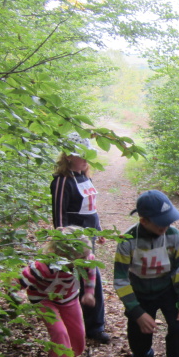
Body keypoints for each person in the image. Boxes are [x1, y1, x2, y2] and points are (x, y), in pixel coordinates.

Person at [113, 190, 179, 357]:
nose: (165, 226)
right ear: (144, 220)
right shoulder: (127, 240)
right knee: (138, 333)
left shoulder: (174, 236)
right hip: (140, 294)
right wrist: (136, 311)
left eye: (168, 221)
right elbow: (121, 279)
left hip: (168, 290)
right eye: (160, 223)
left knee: (178, 328)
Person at [19, 227, 96, 357]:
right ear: (64, 257)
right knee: (59, 332)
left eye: (86, 256)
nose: (86, 260)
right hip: (43, 299)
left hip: (69, 297)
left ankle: (71, 356)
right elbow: (20, 280)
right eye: (81, 258)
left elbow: (91, 272)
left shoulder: (86, 259)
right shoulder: (43, 267)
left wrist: (89, 293)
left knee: (77, 331)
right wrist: (14, 294)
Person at [50, 132, 109, 344]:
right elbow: (59, 213)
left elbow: (91, 207)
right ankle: (85, 325)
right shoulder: (62, 181)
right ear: (68, 157)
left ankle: (93, 325)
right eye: (80, 155)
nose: (85, 159)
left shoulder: (85, 177)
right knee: (82, 277)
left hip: (88, 235)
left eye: (87, 155)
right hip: (74, 238)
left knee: (89, 277)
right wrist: (63, 240)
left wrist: (98, 229)